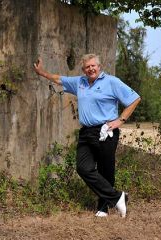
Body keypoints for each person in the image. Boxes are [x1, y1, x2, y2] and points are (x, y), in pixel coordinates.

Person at [33, 53, 141, 218]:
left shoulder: (111, 82)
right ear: (83, 69)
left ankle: (103, 208)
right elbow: (59, 79)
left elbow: (134, 99)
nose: (91, 69)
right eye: (87, 67)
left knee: (106, 170)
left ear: (99, 67)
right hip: (86, 132)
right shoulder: (80, 82)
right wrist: (42, 73)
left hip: (106, 130)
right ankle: (118, 197)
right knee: (83, 168)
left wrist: (121, 120)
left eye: (93, 66)